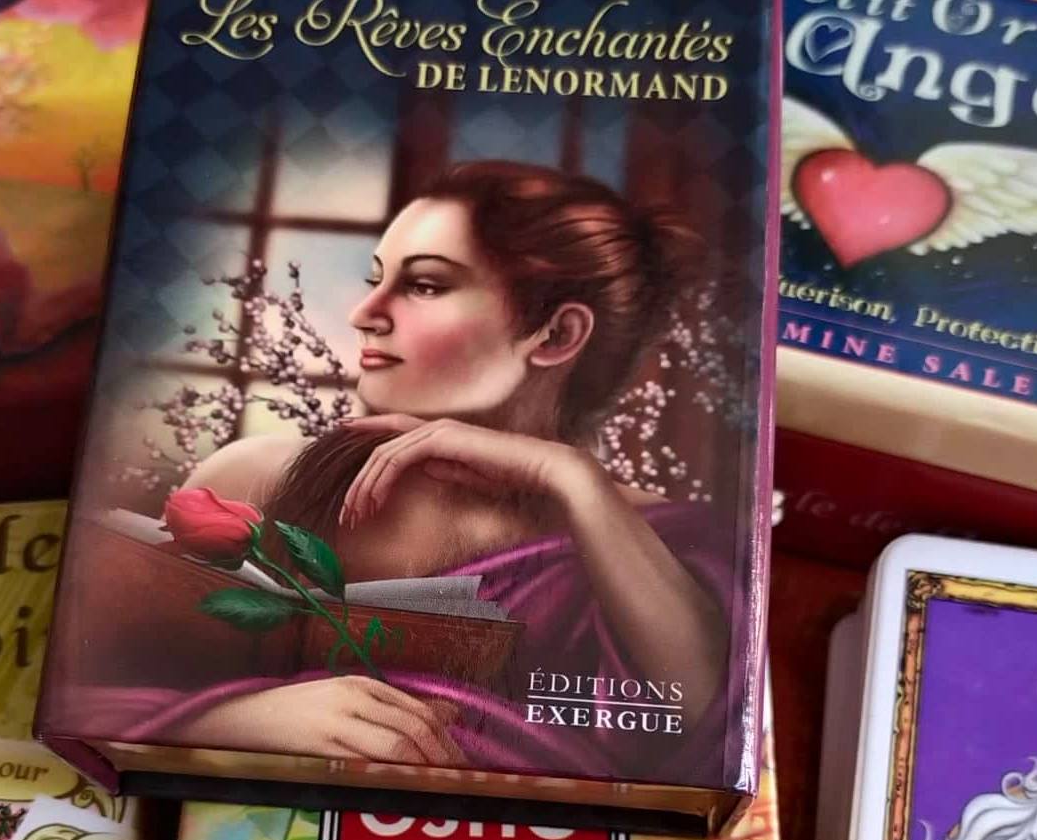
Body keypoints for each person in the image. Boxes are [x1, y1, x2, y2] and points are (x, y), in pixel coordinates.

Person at [93, 160, 738, 777]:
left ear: (557, 335)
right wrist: (232, 721)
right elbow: (97, 686)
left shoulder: (658, 539)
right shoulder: (257, 477)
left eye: (424, 285)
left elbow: (709, 731)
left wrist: (574, 480)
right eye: (376, 278)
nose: (365, 315)